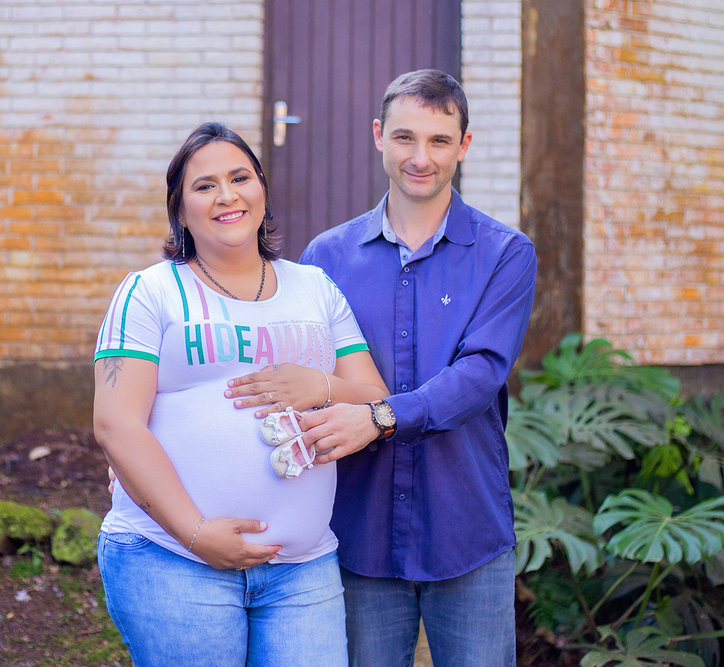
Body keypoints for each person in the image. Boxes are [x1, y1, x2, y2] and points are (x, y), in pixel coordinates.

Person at [227, 70, 537, 666]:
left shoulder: (505, 254)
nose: (420, 158)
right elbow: (265, 366)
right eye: (404, 138)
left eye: (440, 141)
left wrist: (381, 416)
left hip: (464, 527)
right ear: (378, 136)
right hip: (358, 531)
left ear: (464, 145)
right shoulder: (326, 257)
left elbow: (480, 374)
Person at [92, 122, 390, 667]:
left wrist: (320, 384)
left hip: (303, 569)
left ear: (262, 190)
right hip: (173, 560)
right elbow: (117, 425)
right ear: (180, 211)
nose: (227, 195)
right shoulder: (149, 292)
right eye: (204, 186)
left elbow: (376, 401)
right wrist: (196, 532)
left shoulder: (315, 288)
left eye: (240, 178)